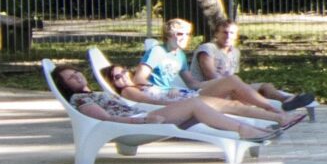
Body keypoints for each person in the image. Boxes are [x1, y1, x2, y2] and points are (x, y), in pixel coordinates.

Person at [51, 63, 287, 142]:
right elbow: (104, 118)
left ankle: (261, 128)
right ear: (66, 86)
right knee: (198, 104)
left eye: (77, 72)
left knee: (209, 103)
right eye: (70, 78)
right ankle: (249, 131)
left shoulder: (93, 92)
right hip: (138, 122)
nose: (77, 76)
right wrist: (143, 119)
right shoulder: (81, 98)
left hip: (143, 115)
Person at [100, 61, 303, 130]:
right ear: (113, 83)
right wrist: (173, 97)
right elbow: (153, 101)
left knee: (234, 87)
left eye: (123, 72)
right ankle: (277, 113)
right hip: (185, 102)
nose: (122, 78)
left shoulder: (138, 83)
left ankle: (277, 115)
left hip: (189, 96)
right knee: (233, 90)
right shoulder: (129, 91)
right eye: (116, 78)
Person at [190, 19, 308, 108]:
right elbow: (210, 75)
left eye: (232, 33)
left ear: (236, 36)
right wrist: (240, 87)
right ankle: (273, 108)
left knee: (265, 86)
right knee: (249, 92)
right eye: (224, 33)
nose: (228, 36)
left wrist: (240, 87)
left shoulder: (235, 52)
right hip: (206, 90)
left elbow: (231, 75)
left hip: (230, 87)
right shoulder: (207, 49)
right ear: (216, 34)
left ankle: (287, 99)